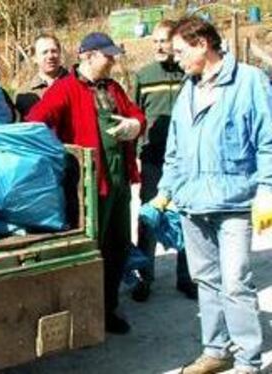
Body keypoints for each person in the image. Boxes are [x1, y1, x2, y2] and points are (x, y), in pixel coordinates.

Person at [153, 16, 272, 374]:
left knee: (236, 283)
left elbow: (268, 141)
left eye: (179, 51)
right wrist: (164, 192)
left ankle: (248, 362)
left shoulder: (250, 81)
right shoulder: (189, 89)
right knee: (206, 279)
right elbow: (175, 148)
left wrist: (267, 190)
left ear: (202, 43)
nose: (174, 59)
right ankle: (216, 350)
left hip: (234, 201)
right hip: (192, 203)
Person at [26, 32, 146, 335]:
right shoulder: (65, 89)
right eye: (108, 55)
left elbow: (137, 116)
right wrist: (57, 157)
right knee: (93, 251)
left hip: (119, 185)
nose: (113, 59)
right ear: (89, 56)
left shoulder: (113, 88)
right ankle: (84, 314)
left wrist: (135, 125)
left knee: (118, 248)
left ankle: (108, 310)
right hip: (91, 189)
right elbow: (35, 120)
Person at [130, 19, 197, 302]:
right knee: (149, 217)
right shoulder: (144, 75)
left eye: (163, 41)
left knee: (186, 217)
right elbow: (135, 117)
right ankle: (145, 278)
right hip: (154, 159)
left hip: (186, 161)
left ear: (175, 43)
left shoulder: (189, 74)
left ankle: (186, 277)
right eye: (154, 41)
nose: (158, 46)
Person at [15, 33, 68, 118]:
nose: (50, 56)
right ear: (34, 58)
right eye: (45, 52)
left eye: (54, 51)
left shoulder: (76, 84)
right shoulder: (24, 94)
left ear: (60, 53)